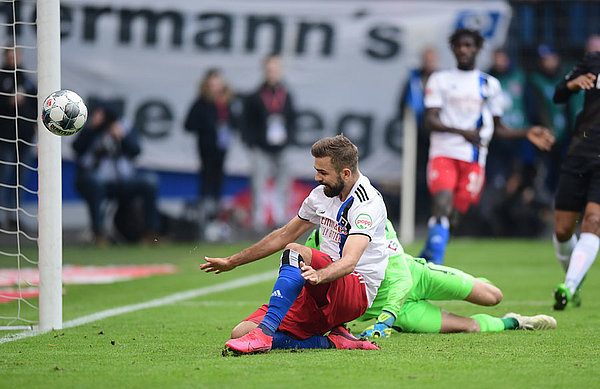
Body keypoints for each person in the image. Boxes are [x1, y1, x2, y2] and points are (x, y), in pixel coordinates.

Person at [202, 135, 386, 354]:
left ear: (346, 173)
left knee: (295, 251)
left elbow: (349, 263)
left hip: (354, 290)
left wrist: (320, 276)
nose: (317, 177)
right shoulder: (322, 195)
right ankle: (333, 340)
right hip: (319, 285)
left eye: (323, 172)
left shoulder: (367, 203)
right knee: (240, 332)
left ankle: (264, 333)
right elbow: (283, 235)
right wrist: (232, 261)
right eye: (316, 170)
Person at [419, 28, 555, 265]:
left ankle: (424, 257)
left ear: (477, 49)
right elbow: (429, 120)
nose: (463, 50)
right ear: (453, 49)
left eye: (468, 45)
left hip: (473, 159)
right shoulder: (440, 79)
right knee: (442, 206)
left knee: (453, 217)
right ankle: (434, 269)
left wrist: (526, 132)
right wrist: (462, 132)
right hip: (444, 153)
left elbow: (499, 128)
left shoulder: (488, 84)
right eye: (459, 45)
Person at [305, 221, 556, 337]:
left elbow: (400, 278)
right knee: (467, 327)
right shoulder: (317, 241)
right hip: (401, 312)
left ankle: (469, 281)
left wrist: (385, 319)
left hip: (417, 277)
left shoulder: (374, 222)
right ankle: (515, 322)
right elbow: (315, 290)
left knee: (493, 296)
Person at [551, 37, 600, 310]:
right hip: (580, 153)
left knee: (593, 221)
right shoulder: (592, 60)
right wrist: (572, 84)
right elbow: (559, 94)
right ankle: (574, 278)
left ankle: (568, 287)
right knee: (562, 230)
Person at [72, 101, 160, 245]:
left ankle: (151, 232)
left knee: (150, 181)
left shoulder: (123, 128)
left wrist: (122, 136)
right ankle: (98, 232)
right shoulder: (90, 129)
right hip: (96, 180)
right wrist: (92, 129)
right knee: (95, 182)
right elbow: (77, 149)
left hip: (123, 180)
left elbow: (136, 150)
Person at [242, 54, 296, 231]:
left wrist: (289, 139)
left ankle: (281, 218)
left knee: (284, 182)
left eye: (276, 69)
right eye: (269, 69)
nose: (272, 73)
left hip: (281, 146)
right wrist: (251, 142)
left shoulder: (286, 94)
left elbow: (292, 119)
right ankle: (258, 219)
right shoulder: (255, 96)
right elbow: (247, 122)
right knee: (258, 182)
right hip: (261, 147)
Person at [184, 68, 236, 227]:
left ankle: (216, 215)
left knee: (218, 179)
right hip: (206, 149)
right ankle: (205, 216)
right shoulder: (201, 103)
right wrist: (207, 127)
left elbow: (235, 122)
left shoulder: (226, 103)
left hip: (221, 149)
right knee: (206, 179)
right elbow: (189, 125)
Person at [399, 47, 439, 221]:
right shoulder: (413, 80)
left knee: (436, 175)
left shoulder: (441, 80)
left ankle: (435, 213)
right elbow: (402, 105)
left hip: (438, 135)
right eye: (427, 59)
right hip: (417, 135)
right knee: (416, 175)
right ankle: (417, 215)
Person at [0, 47, 36, 228]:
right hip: (5, 138)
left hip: (25, 138)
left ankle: (15, 217)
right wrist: (9, 102)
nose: (14, 58)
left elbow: (36, 104)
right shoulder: (1, 78)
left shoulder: (27, 80)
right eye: (10, 54)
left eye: (17, 54)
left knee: (20, 179)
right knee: (4, 176)